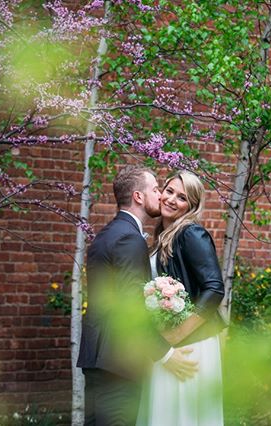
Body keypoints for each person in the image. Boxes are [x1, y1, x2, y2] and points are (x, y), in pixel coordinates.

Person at [77, 165, 199, 426]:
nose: (161, 196)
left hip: (98, 359)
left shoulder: (106, 234)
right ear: (138, 197)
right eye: (156, 189)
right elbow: (131, 304)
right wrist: (165, 354)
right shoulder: (129, 239)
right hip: (118, 362)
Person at [137, 170, 226, 426]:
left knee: (181, 416)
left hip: (190, 343)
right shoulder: (163, 236)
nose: (172, 200)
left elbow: (214, 289)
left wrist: (176, 334)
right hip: (168, 341)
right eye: (169, 191)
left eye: (182, 197)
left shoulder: (190, 234)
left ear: (192, 206)